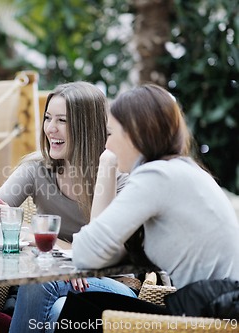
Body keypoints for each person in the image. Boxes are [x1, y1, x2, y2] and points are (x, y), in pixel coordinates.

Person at [56, 84, 239, 332]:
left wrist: (107, 164)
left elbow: (88, 251)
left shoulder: (156, 175)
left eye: (110, 134)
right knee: (81, 305)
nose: (106, 145)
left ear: (132, 134)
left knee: (79, 311)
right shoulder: (182, 169)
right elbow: (105, 253)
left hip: (211, 318)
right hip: (218, 310)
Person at [0, 82, 137, 331]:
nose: (50, 129)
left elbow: (101, 258)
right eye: (47, 118)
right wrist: (38, 238)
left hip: (112, 286)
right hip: (59, 282)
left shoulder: (119, 179)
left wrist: (46, 242)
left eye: (62, 121)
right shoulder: (36, 169)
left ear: (86, 127)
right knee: (58, 311)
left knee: (41, 278)